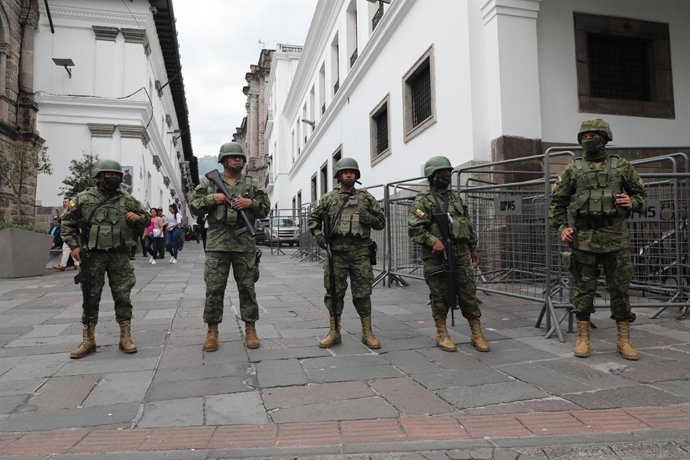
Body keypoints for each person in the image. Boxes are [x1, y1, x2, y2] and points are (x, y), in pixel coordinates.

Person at [549, 118, 647, 361]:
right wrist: (562, 227)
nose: (589, 139)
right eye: (585, 135)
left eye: (595, 134)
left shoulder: (622, 167)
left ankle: (624, 339)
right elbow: (556, 203)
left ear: (605, 137)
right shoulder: (572, 169)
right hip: (583, 238)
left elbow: (642, 196)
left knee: (620, 289)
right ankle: (583, 337)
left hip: (615, 237)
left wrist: (633, 202)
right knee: (584, 289)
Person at [61, 159, 150, 359]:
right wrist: (74, 245)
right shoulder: (83, 198)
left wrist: (138, 218)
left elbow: (145, 216)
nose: (115, 178)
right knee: (90, 298)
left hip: (119, 255)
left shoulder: (126, 199)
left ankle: (125, 337)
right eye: (110, 174)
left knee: (123, 296)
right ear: (99, 176)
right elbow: (67, 222)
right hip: (93, 256)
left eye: (118, 175)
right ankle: (88, 339)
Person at [189, 141, 270, 351]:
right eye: (234, 157)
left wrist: (250, 203)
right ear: (224, 160)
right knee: (214, 289)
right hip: (217, 244)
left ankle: (250, 329)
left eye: (241, 157)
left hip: (244, 245)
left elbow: (265, 209)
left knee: (247, 288)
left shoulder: (252, 184)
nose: (239, 160)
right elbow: (193, 206)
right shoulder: (209, 183)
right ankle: (212, 331)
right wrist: (212, 198)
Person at [407, 156, 490, 353]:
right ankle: (441, 333)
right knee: (439, 294)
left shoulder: (456, 198)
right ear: (432, 175)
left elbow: (467, 224)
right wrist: (432, 241)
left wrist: (474, 247)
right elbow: (415, 229)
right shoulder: (422, 201)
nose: (447, 175)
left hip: (460, 252)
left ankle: (477, 333)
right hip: (437, 256)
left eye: (448, 171)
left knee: (468, 292)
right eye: (443, 172)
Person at [307, 157, 385, 349]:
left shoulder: (366, 198)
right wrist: (318, 236)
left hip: (360, 253)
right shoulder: (328, 198)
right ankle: (334, 332)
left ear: (356, 175)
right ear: (339, 175)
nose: (348, 174)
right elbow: (313, 219)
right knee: (334, 293)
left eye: (352, 172)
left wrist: (369, 218)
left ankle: (367, 332)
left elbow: (381, 222)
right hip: (337, 254)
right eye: (345, 172)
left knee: (363, 293)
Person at [53, 197, 79, 271]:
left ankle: (63, 265)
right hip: (67, 232)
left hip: (70, 232)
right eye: (63, 202)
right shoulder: (66, 210)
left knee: (66, 247)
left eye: (65, 202)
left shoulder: (72, 210)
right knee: (71, 248)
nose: (64, 203)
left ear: (70, 203)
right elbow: (63, 221)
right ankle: (76, 264)